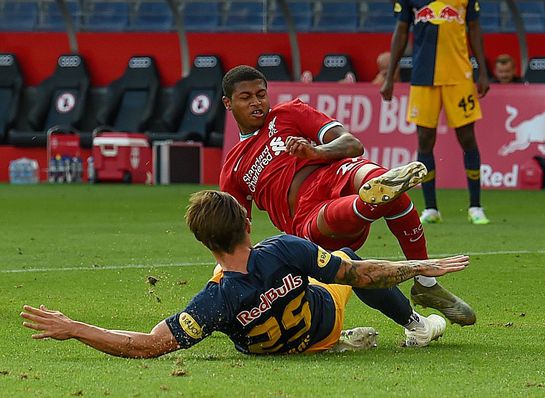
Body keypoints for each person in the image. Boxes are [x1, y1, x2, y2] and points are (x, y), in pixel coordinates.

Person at [20, 190, 470, 357]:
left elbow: (147, 345)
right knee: (344, 259)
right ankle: (417, 327)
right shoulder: (283, 248)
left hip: (278, 349)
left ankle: (356, 336)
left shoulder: (213, 300)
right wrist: (420, 267)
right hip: (323, 322)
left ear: (204, 244)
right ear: (248, 224)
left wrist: (74, 327)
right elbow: (363, 275)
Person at [220, 65, 476, 326]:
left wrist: (316, 153)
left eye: (261, 94)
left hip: (334, 174)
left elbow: (352, 144)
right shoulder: (234, 168)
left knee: (383, 185)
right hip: (306, 218)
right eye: (246, 97)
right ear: (228, 103)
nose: (256, 102)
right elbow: (235, 233)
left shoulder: (289, 113)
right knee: (373, 199)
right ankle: (373, 202)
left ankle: (426, 283)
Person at [380, 0, 491, 225]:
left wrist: (483, 72)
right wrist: (390, 76)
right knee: (424, 141)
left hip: (459, 76)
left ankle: (475, 206)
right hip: (423, 77)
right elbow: (400, 32)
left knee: (467, 137)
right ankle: (431, 208)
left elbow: (475, 29)